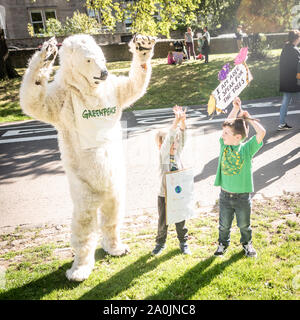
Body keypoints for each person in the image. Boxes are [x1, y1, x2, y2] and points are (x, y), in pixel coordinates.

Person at [213, 97, 266, 258]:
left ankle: (247, 244)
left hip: (242, 197)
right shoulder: (224, 145)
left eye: (226, 134)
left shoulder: (247, 149)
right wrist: (235, 109)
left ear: (238, 137)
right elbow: (228, 123)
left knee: (244, 225)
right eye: (223, 133)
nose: (223, 135)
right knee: (223, 226)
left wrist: (248, 119)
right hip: (225, 195)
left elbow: (262, 133)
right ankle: (223, 243)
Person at [152, 106, 191, 256]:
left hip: (177, 194)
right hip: (164, 195)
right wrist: (175, 121)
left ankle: (183, 242)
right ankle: (160, 243)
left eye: (176, 142)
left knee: (181, 220)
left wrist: (183, 122)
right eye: (171, 142)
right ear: (162, 145)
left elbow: (183, 136)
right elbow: (169, 139)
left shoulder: (177, 154)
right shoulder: (164, 157)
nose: (174, 144)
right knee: (163, 222)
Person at [278, 30, 300, 130]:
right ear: (296, 38)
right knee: (286, 101)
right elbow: (298, 67)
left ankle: (281, 123)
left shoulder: (285, 48)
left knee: (285, 101)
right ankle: (282, 124)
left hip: (285, 80)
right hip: (294, 81)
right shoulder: (295, 50)